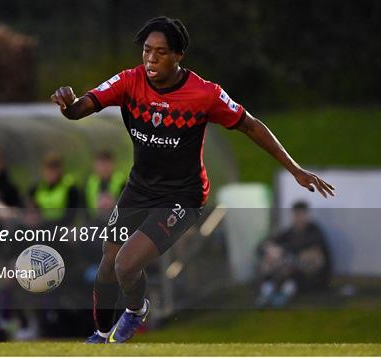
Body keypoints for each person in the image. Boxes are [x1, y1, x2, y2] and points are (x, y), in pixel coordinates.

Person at [50, 16, 335, 344]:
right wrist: (68, 104)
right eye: (146, 50)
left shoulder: (204, 94)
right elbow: (80, 108)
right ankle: (100, 337)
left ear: (178, 55)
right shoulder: (130, 81)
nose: (151, 59)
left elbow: (251, 125)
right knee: (108, 262)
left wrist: (295, 168)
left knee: (126, 264)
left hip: (182, 196)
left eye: (160, 52)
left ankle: (136, 310)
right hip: (140, 187)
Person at [255, 201, 332, 307]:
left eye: (301, 214)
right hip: (291, 268)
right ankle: (267, 292)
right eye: (296, 214)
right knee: (271, 259)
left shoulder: (314, 231)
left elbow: (311, 251)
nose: (298, 218)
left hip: (312, 276)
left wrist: (284, 252)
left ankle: (282, 293)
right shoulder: (290, 232)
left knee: (301, 259)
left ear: (306, 215)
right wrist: (271, 248)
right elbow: (265, 244)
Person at [28, 151, 80, 226]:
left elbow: (71, 215)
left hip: (63, 226)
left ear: (60, 170)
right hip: (42, 225)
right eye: (48, 170)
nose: (50, 174)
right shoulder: (36, 188)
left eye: (53, 170)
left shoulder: (70, 188)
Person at [85, 151, 126, 221]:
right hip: (94, 222)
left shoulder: (122, 182)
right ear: (95, 166)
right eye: (101, 164)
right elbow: (84, 209)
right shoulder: (89, 183)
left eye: (107, 163)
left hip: (117, 221)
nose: (104, 167)